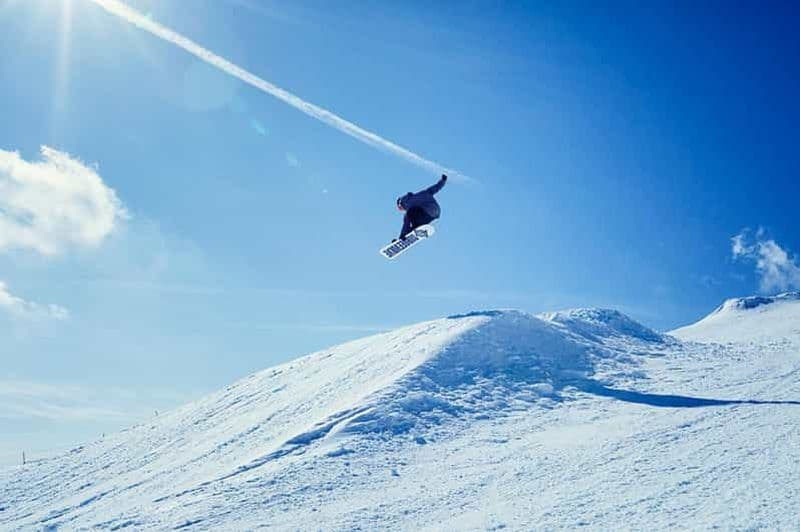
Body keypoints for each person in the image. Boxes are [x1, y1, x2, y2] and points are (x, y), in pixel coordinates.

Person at [396, 174, 448, 240]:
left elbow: (406, 221)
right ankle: (412, 231)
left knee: (408, 216)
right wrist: (443, 181)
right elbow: (436, 188)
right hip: (435, 213)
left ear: (400, 205)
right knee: (415, 224)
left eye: (400, 209)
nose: (402, 210)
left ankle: (403, 236)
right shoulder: (422, 193)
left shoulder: (406, 203)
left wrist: (402, 234)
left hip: (426, 211)